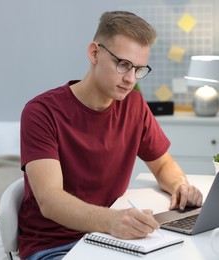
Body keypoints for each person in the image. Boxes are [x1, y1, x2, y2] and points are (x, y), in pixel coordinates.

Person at [18, 10, 203, 260]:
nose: (130, 79)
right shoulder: (41, 112)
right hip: (55, 246)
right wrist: (113, 220)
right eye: (123, 64)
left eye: (138, 69)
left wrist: (180, 185)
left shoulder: (134, 105)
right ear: (94, 53)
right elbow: (50, 200)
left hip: (111, 239)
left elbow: (162, 165)